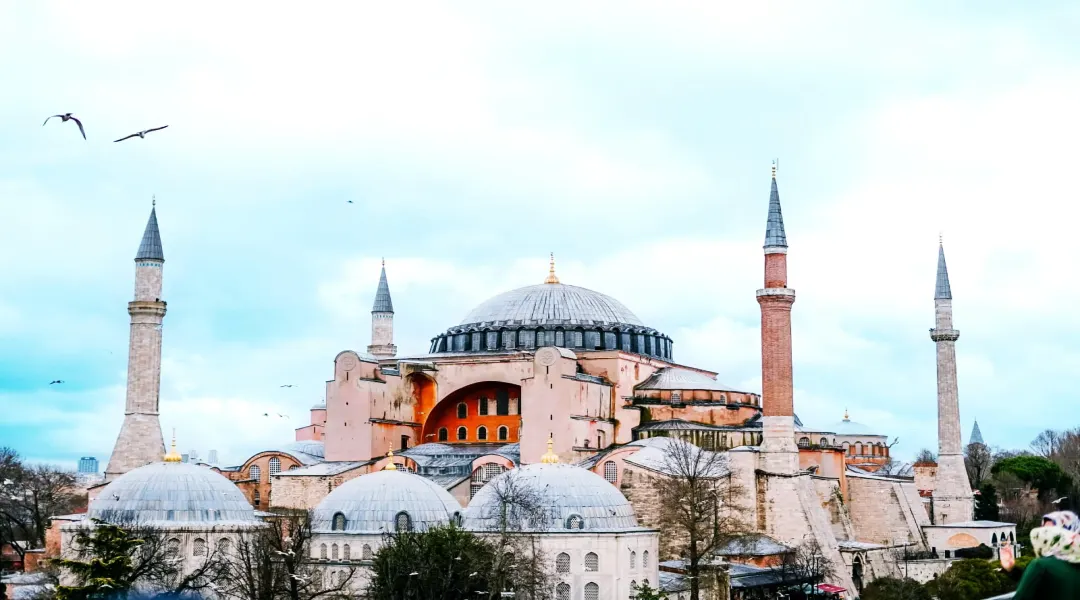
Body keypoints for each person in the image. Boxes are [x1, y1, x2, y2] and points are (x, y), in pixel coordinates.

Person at [1008, 511, 1080, 599]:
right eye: (1044, 530)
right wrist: (1012, 569)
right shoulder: (1074, 562)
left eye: (1051, 531)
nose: (1045, 535)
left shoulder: (1040, 565)